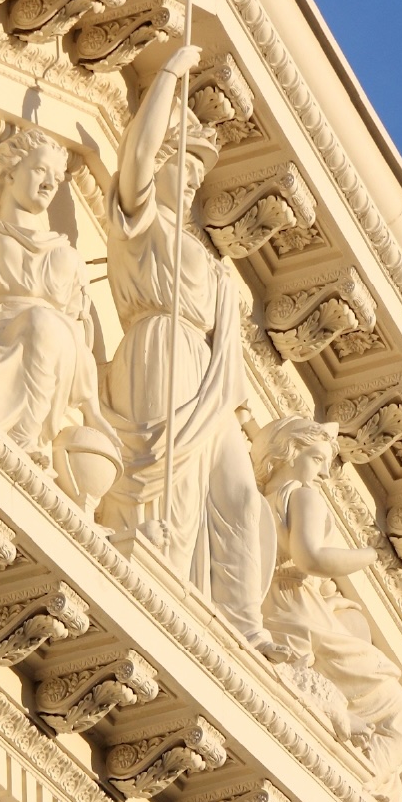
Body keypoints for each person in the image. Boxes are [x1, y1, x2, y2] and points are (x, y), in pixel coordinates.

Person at [100, 44, 282, 657]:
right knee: (172, 488)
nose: (194, 180)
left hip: (205, 379)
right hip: (157, 348)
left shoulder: (208, 260)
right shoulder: (144, 223)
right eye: (186, 167)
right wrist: (173, 73)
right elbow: (137, 157)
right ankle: (165, 590)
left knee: (238, 494)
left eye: (201, 174)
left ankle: (241, 623)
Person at [251, 415, 402, 802]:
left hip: (282, 605)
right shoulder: (303, 495)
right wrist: (368, 556)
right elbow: (310, 557)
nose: (324, 471)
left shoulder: (269, 494)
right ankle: (363, 781)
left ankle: (362, 772)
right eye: (317, 458)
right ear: (291, 451)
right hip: (300, 606)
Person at [0, 128, 117, 476]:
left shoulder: (66, 254)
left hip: (53, 344)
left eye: (57, 178)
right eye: (41, 171)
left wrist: (92, 409)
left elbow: (81, 336)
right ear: (10, 173)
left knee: (43, 323)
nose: (51, 184)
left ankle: (25, 438)